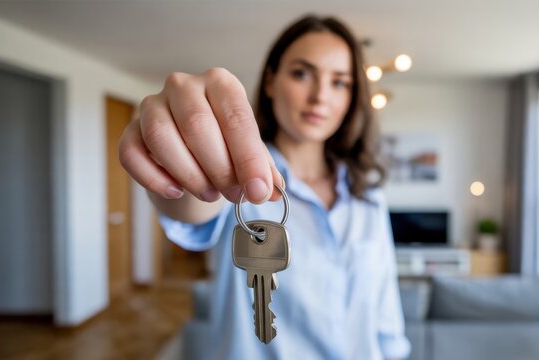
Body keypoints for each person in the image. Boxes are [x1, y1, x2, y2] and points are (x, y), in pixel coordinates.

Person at [119, 14, 410, 359]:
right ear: (271, 81)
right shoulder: (237, 174)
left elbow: (384, 307)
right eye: (302, 73)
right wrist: (177, 143)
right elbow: (193, 203)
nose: (320, 96)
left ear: (352, 97)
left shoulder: (368, 194)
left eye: (340, 82)